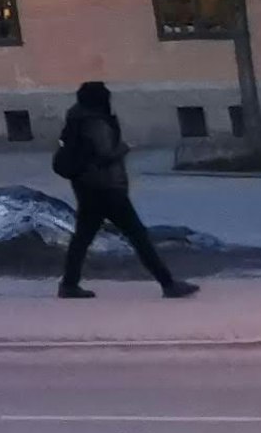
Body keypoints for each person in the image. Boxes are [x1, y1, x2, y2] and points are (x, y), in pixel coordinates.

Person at [55, 81, 198, 300]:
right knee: (138, 235)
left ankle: (69, 284)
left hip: (86, 185)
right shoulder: (95, 122)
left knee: (82, 238)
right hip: (107, 187)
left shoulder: (75, 119)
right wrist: (123, 149)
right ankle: (168, 283)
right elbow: (105, 154)